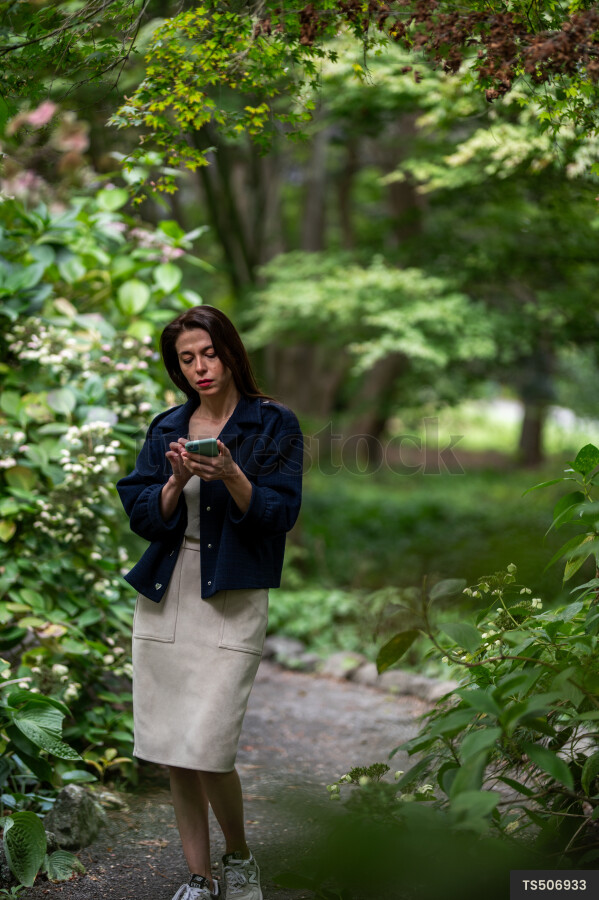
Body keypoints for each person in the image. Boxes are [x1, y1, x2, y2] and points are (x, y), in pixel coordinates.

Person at [116, 306, 303, 900]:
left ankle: (240, 858)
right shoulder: (167, 425)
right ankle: (199, 878)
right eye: (186, 359)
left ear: (231, 352)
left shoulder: (273, 423)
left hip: (231, 594)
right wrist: (172, 483)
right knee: (176, 750)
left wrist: (231, 474)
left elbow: (280, 514)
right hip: (168, 594)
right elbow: (142, 512)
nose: (199, 367)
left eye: (208, 354)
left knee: (211, 746)